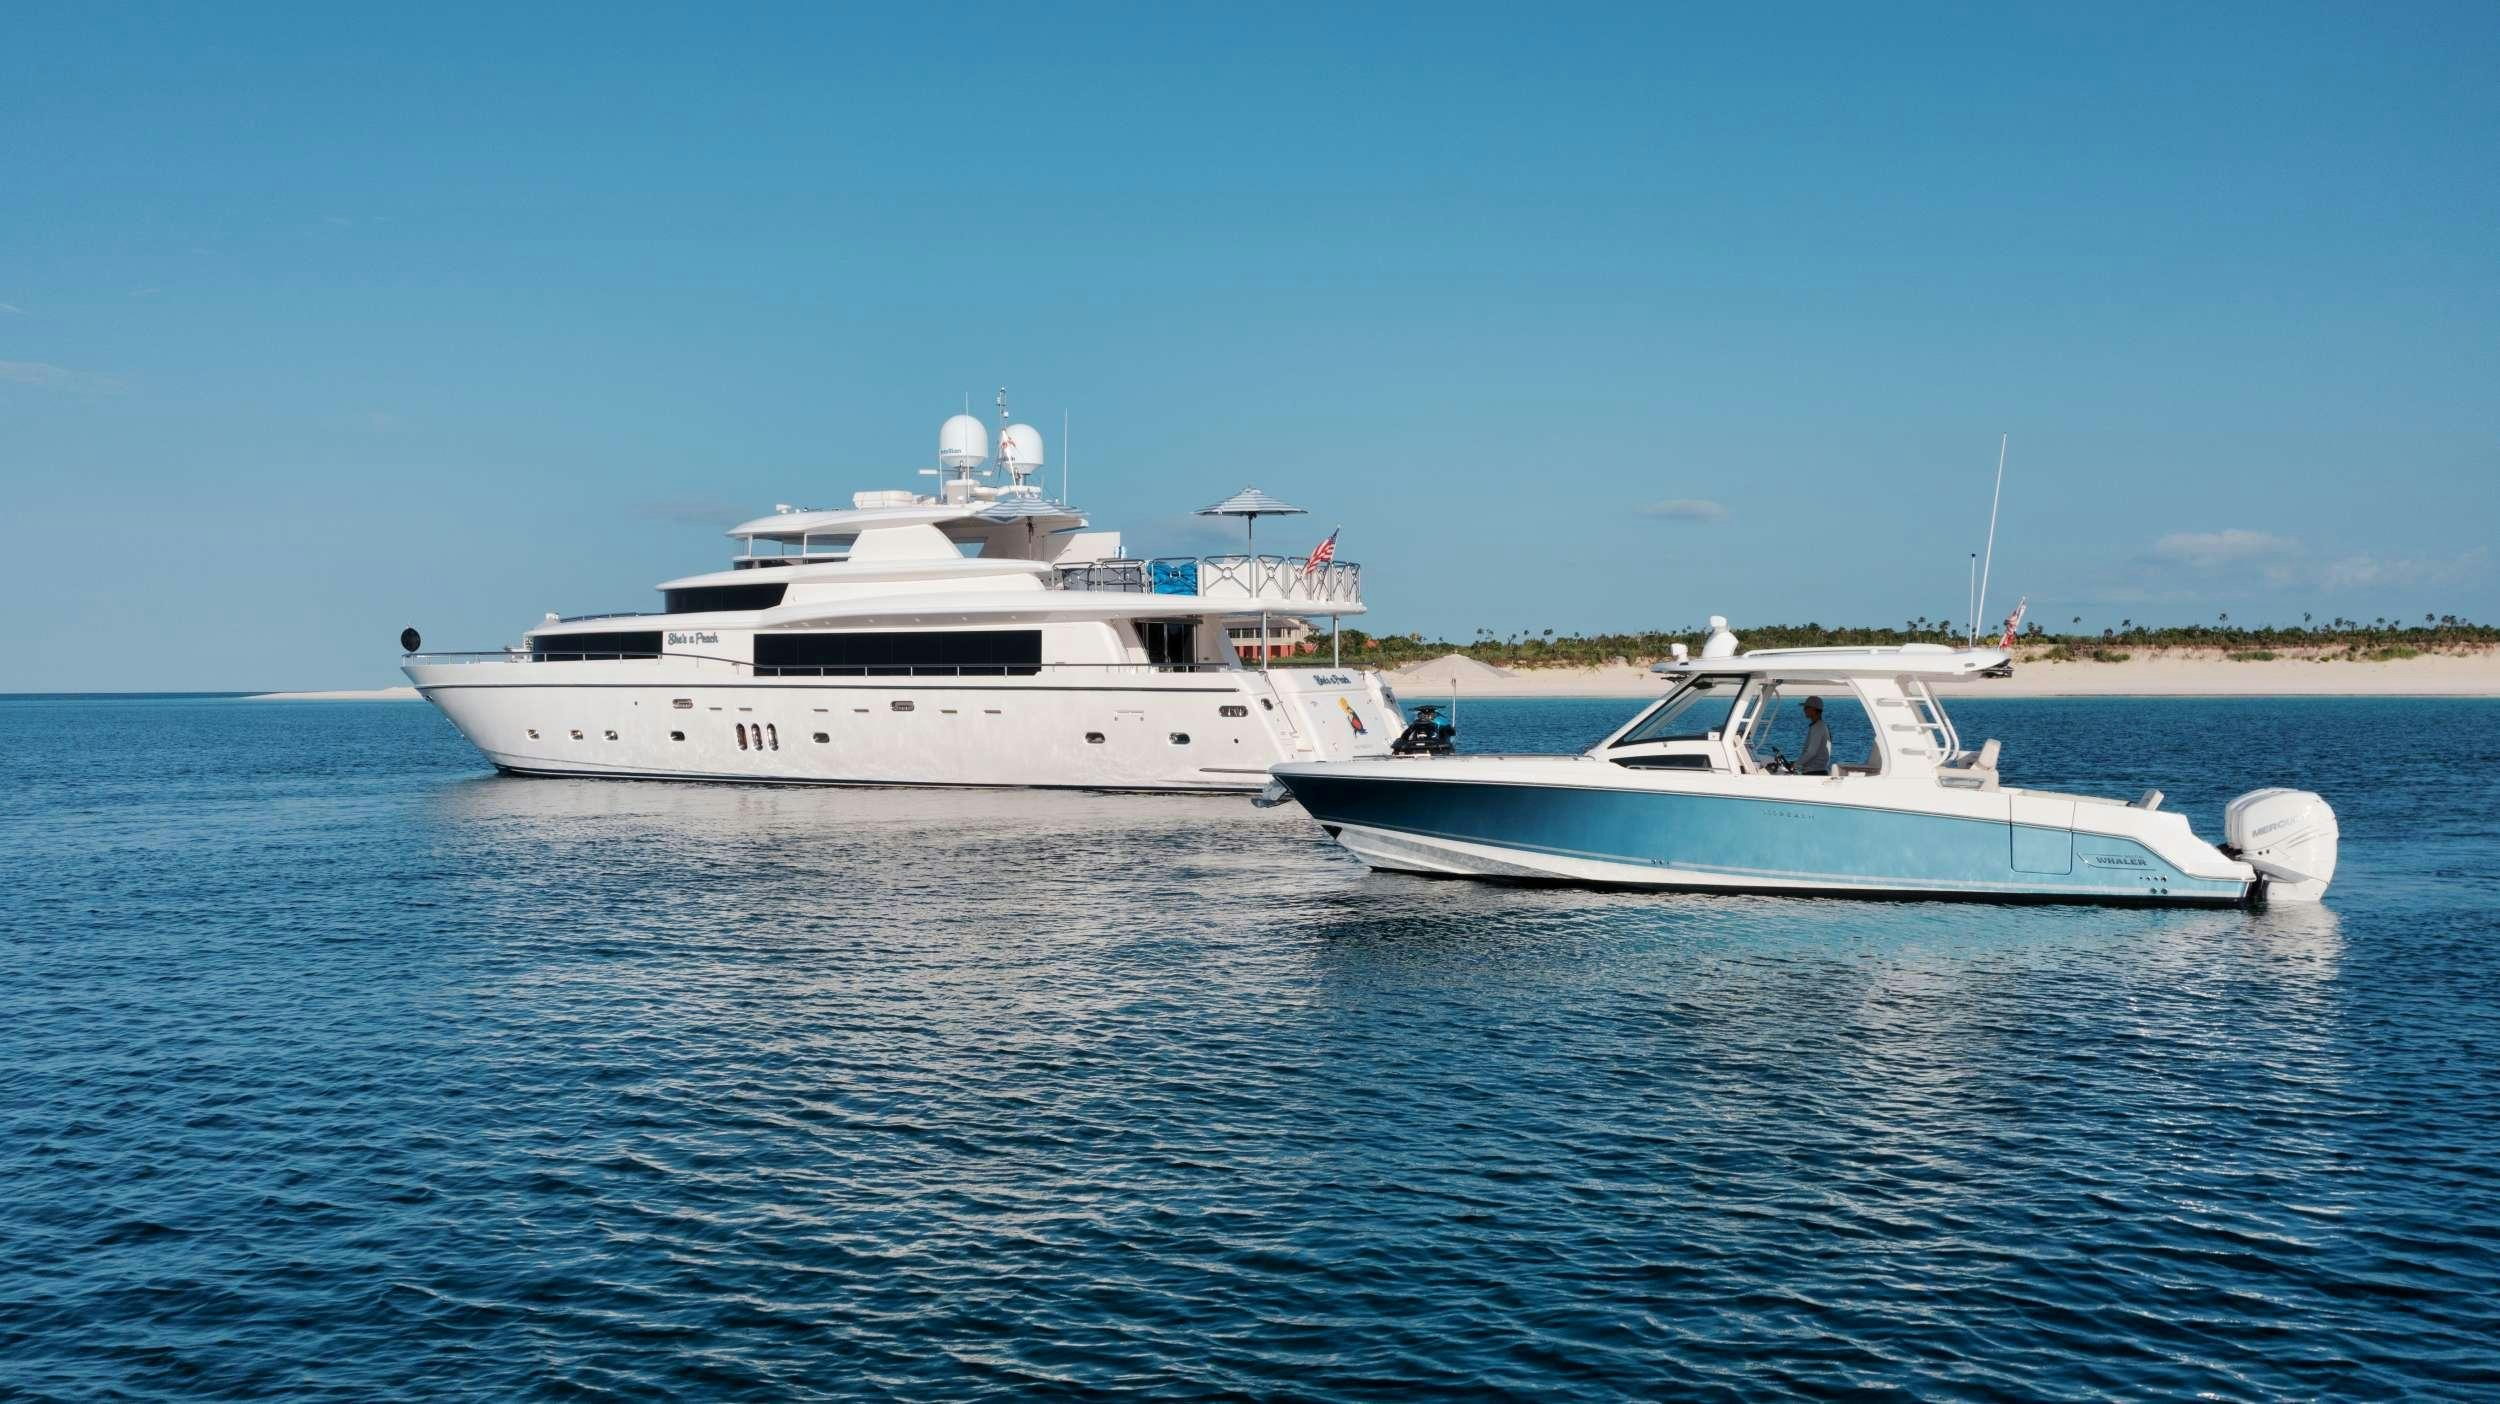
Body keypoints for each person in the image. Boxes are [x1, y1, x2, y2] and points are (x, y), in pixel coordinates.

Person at [1794, 696, 1832, 776]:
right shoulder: (1821, 725)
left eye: (1806, 707)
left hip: (1815, 772)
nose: (1804, 709)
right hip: (1818, 770)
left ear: (1814, 710)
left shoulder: (1818, 727)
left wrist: (1795, 765)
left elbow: (1811, 752)